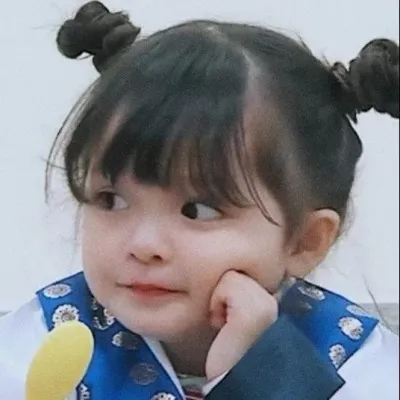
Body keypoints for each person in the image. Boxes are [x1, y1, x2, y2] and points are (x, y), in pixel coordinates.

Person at [0, 1, 398, 399]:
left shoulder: (357, 366)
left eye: (198, 210)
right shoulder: (42, 342)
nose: (144, 246)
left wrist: (261, 377)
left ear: (304, 240)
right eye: (111, 200)